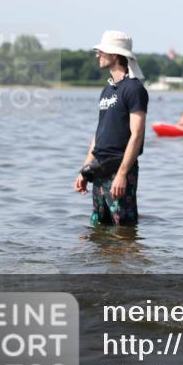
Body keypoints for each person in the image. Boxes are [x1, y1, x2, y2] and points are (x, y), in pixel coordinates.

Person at [74, 31, 149, 227]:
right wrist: (84, 170)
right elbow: (99, 134)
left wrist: (123, 174)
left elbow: (137, 135)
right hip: (99, 168)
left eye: (101, 51)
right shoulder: (107, 90)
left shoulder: (134, 89)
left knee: (123, 230)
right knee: (99, 228)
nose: (97, 55)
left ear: (115, 55)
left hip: (120, 168)